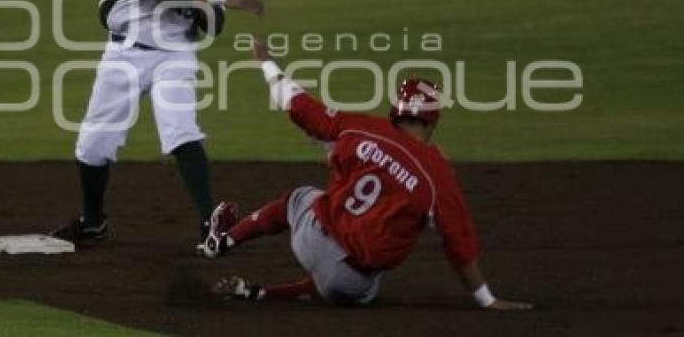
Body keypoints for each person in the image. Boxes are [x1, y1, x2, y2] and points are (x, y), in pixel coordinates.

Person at [201, 36, 533, 310]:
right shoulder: (437, 174)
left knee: (300, 197)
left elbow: (298, 105)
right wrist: (486, 299)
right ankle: (266, 294)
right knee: (368, 284)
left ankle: (224, 241)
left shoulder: (361, 127)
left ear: (396, 112)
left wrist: (266, 61)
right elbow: (457, 243)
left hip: (309, 239)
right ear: (432, 122)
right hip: (347, 282)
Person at [52, 0, 262, 252]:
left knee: (181, 129)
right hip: (124, 53)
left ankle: (208, 224)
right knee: (93, 146)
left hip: (175, 54)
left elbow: (213, 27)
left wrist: (200, 3)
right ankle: (93, 222)